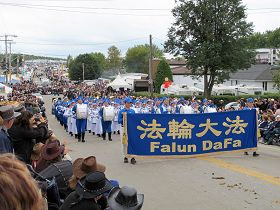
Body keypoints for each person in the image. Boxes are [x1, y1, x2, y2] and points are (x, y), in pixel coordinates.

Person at [118, 98, 136, 164]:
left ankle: (132, 157)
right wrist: (124, 117)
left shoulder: (133, 111)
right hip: (124, 128)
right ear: (125, 103)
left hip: (131, 128)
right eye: (128, 103)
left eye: (130, 103)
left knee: (132, 142)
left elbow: (135, 119)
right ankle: (125, 156)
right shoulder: (121, 111)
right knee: (124, 142)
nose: (129, 104)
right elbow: (119, 121)